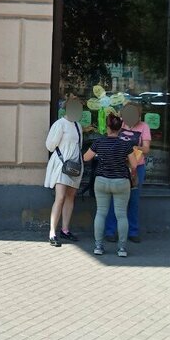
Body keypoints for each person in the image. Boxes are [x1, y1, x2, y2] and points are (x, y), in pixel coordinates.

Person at [83, 113, 138, 258]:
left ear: (107, 127)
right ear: (120, 129)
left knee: (101, 213)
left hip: (101, 181)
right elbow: (134, 165)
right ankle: (122, 249)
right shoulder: (126, 144)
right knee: (121, 215)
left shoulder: (99, 142)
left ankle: (98, 246)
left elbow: (86, 158)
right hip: (121, 182)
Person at [106, 104, 152, 243]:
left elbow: (146, 149)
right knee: (114, 199)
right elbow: (110, 138)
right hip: (119, 165)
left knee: (133, 200)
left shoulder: (144, 127)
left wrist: (135, 147)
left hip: (136, 167)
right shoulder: (120, 124)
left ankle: (133, 231)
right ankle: (110, 231)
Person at [44, 97, 84, 247]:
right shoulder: (60, 124)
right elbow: (49, 146)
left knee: (70, 197)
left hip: (75, 166)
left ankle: (65, 230)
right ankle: (52, 232)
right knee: (60, 197)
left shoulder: (78, 125)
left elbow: (79, 146)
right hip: (62, 164)